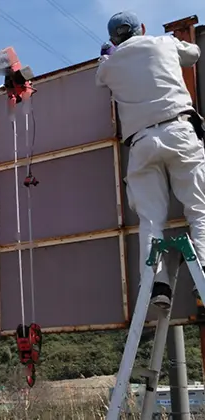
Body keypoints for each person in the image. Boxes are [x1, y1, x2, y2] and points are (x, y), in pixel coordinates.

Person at [95, 11, 205, 312]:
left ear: (113, 40)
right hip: (179, 130)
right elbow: (193, 54)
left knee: (151, 220)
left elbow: (99, 76)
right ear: (142, 28)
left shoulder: (110, 64)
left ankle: (157, 284)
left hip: (142, 143)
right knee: (199, 211)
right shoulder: (164, 42)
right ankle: (203, 280)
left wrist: (108, 57)